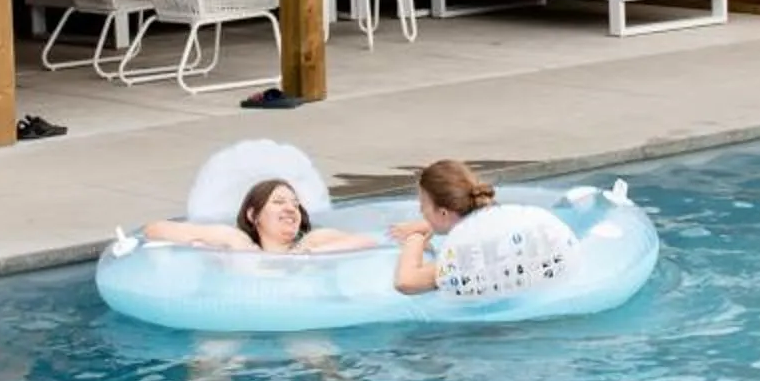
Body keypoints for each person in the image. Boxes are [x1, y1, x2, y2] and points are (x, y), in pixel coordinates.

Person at [143, 177, 379, 255]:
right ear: (253, 215)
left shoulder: (311, 242)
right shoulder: (236, 242)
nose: (290, 209)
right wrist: (201, 247)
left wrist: (311, 254)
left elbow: (369, 242)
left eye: (295, 205)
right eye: (278, 202)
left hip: (297, 313)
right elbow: (154, 229)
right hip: (236, 312)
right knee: (214, 351)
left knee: (314, 351)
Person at [391, 158, 498, 295]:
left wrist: (414, 240)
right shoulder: (488, 224)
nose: (421, 211)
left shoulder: (467, 252)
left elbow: (406, 282)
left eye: (423, 204)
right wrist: (429, 226)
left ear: (443, 213)